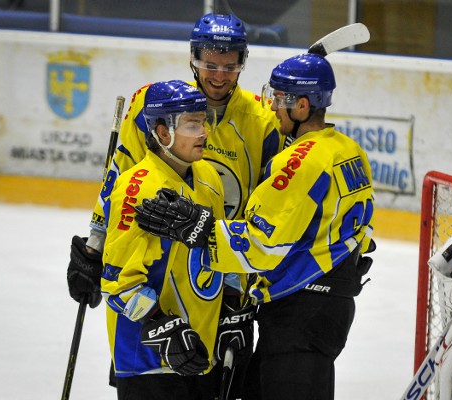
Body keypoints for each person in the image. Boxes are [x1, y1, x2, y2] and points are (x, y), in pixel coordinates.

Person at [135, 52, 376, 400]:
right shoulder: (347, 149)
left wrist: (199, 227)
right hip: (330, 306)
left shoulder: (299, 162)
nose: (273, 107)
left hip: (301, 310)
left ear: (303, 106)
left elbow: (262, 246)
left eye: (279, 99)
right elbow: (361, 235)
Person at [66, 12, 283, 397]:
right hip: (157, 281)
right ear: (193, 59)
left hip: (219, 282)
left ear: (242, 64)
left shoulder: (261, 123)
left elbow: (266, 211)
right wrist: (96, 246)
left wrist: (239, 298)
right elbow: (119, 180)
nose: (219, 76)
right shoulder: (155, 105)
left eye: (230, 67)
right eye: (209, 65)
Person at [100, 79, 227, 400]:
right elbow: (116, 283)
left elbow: (217, 255)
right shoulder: (137, 187)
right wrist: (159, 323)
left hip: (199, 353)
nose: (203, 132)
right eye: (191, 124)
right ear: (162, 132)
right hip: (148, 362)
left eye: (203, 121)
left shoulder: (209, 177)